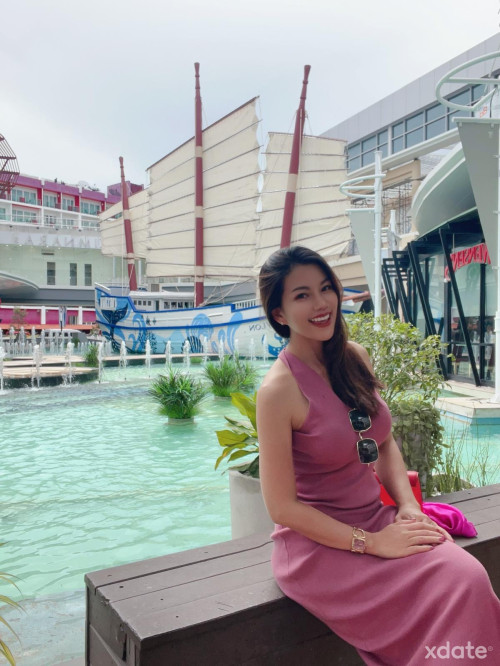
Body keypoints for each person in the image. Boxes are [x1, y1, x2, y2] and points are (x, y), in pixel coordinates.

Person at [257, 246, 500, 666]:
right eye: (302, 295)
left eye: (326, 288)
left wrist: (408, 507)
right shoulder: (278, 391)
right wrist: (372, 544)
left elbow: (382, 441)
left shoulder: (354, 358)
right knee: (451, 591)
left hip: (378, 518)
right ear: (279, 313)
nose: (321, 303)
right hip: (319, 547)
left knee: (468, 577)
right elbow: (281, 507)